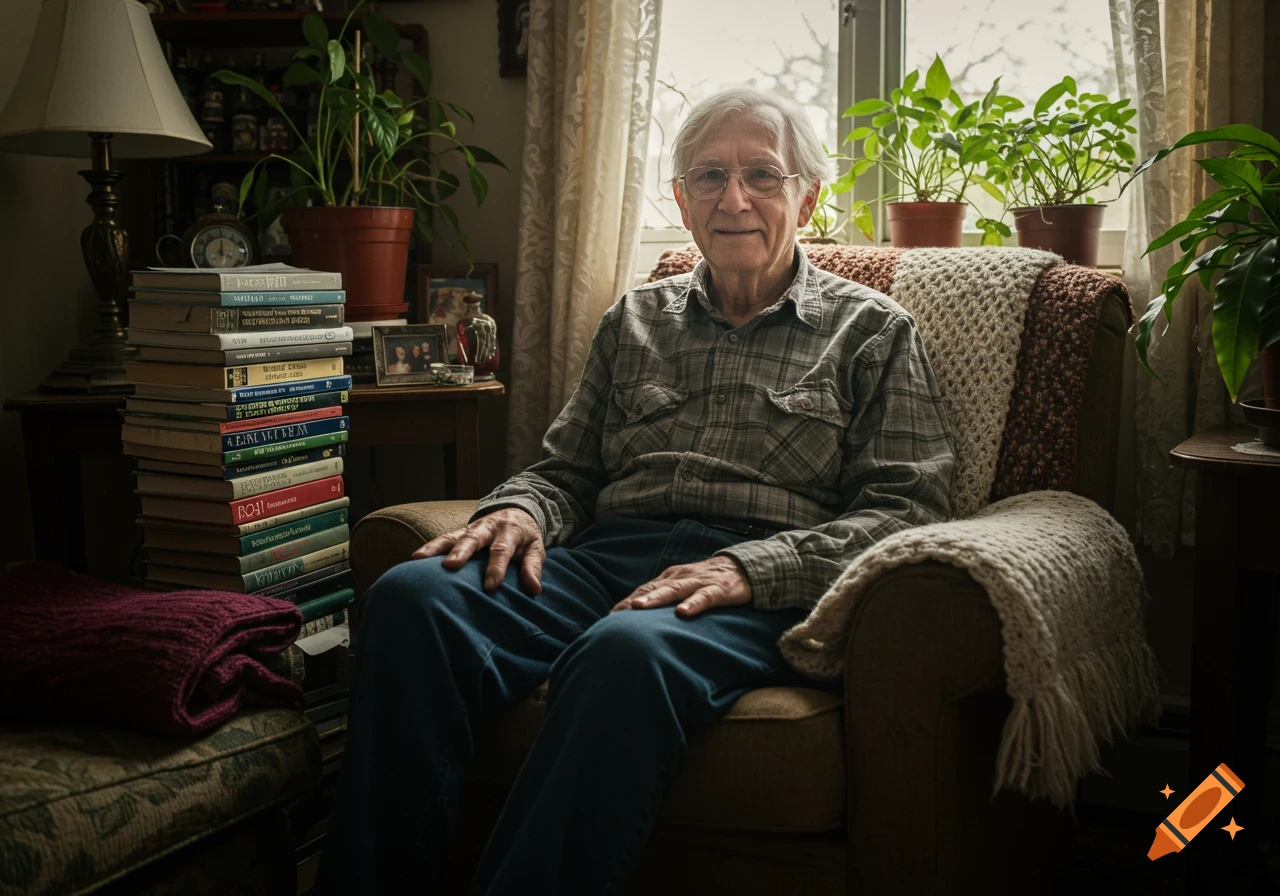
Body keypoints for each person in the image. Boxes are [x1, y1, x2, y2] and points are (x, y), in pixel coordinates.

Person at [316, 87, 955, 895]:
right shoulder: (635, 320)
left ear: (808, 196)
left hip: (747, 586)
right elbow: (568, 471)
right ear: (684, 205)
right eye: (710, 177)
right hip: (601, 558)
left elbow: (908, 510)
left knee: (621, 655)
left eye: (762, 174)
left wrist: (754, 570)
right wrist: (519, 507)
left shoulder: (872, 330)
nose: (735, 199)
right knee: (412, 598)